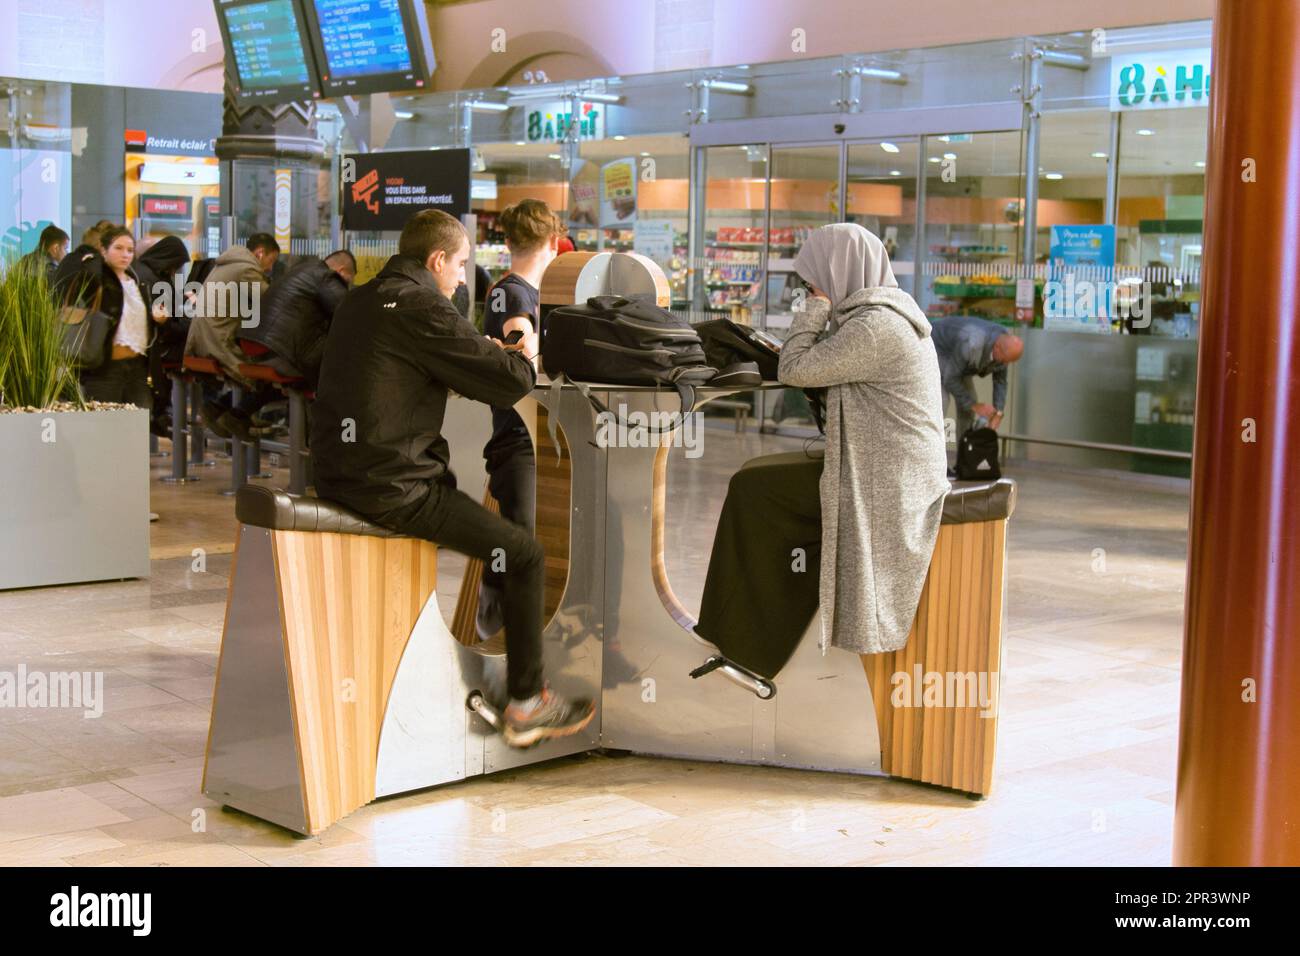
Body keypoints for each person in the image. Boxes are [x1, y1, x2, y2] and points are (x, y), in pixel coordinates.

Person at [311, 209, 594, 748]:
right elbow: (511, 380)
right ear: (436, 259)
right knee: (523, 551)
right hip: (393, 487)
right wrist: (519, 341)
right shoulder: (422, 305)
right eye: (461, 265)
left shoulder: (363, 297)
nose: (464, 277)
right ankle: (527, 702)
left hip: (339, 473)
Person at [692, 223, 949, 679]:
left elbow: (794, 368)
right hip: (882, 466)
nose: (809, 287)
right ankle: (750, 640)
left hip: (884, 481)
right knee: (762, 482)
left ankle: (743, 644)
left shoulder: (875, 327)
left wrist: (815, 308)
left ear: (839, 270)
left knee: (754, 489)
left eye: (814, 278)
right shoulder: (885, 316)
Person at [475, 199, 567, 642]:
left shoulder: (518, 292)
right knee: (521, 539)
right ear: (553, 242)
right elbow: (528, 362)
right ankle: (500, 629)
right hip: (519, 438)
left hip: (528, 436)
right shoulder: (514, 294)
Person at [184, 235, 278, 438]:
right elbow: (272, 301)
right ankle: (236, 414)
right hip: (218, 342)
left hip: (202, 341)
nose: (270, 268)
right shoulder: (247, 269)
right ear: (260, 253)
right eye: (271, 261)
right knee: (268, 376)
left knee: (259, 368)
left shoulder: (225, 264)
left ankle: (222, 410)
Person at [76, 227, 171, 407]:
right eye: (118, 248)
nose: (125, 254)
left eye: (130, 250)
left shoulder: (137, 282)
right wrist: (96, 260)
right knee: (107, 426)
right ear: (104, 250)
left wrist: (158, 319)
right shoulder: (96, 277)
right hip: (105, 368)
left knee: (139, 424)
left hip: (138, 367)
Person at [242, 250, 355, 389]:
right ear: (341, 271)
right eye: (348, 281)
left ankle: (238, 410)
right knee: (345, 366)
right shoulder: (326, 276)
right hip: (280, 354)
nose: (346, 287)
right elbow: (349, 315)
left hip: (254, 351)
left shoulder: (297, 272)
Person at [133, 236, 193, 434]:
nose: (176, 271)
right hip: (157, 348)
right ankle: (164, 413)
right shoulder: (156, 279)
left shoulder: (140, 270)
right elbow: (168, 325)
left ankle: (164, 412)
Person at [929, 315, 1024, 438]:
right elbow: (950, 379)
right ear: (997, 348)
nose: (1006, 364)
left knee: (968, 406)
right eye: (1005, 360)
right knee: (941, 402)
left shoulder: (1004, 344)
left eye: (1009, 362)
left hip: (958, 361)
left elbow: (1000, 381)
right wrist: (974, 405)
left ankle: (964, 453)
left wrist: (998, 412)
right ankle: (929, 452)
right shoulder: (972, 344)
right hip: (937, 349)